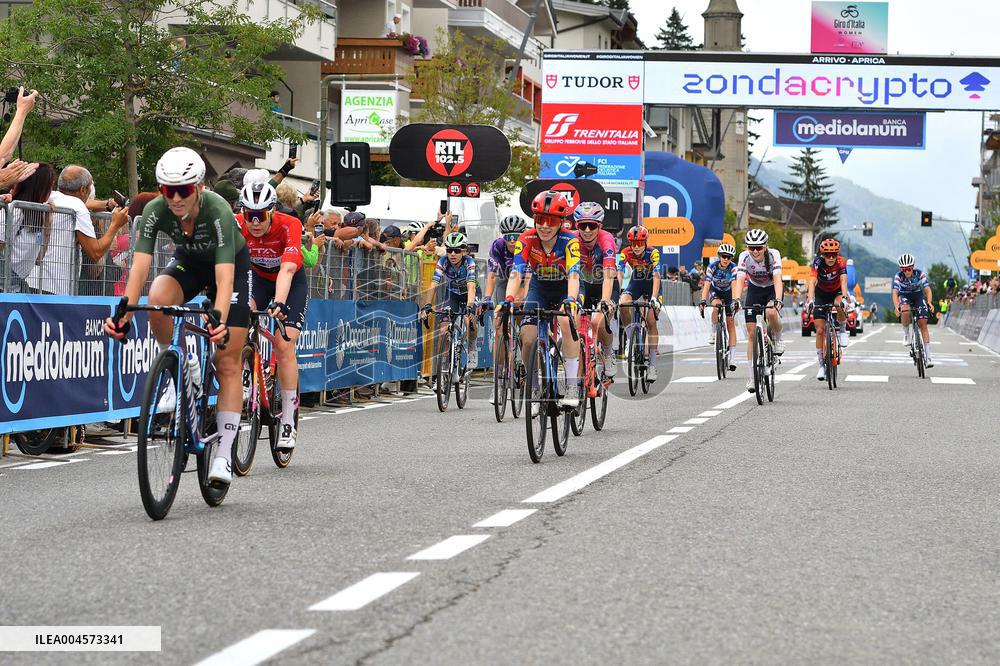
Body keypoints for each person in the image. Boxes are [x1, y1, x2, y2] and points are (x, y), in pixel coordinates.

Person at [104, 147, 251, 487]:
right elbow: (140, 267)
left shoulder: (217, 211)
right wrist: (124, 309)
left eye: (183, 190)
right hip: (190, 261)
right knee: (157, 297)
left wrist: (218, 318)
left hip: (229, 266)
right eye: (168, 190)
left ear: (199, 187)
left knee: (227, 361)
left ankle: (225, 455)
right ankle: (181, 366)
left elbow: (225, 277)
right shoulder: (157, 211)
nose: (175, 198)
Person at [235, 182, 305, 451]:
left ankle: (288, 418)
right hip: (258, 280)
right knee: (239, 317)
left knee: (284, 343)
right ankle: (244, 376)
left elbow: (288, 269)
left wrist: (279, 302)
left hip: (290, 282)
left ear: (272, 211)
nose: (254, 222)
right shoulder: (237, 224)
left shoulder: (289, 225)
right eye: (248, 215)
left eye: (260, 215)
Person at [501, 190, 582, 410]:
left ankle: (572, 385)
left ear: (561, 222)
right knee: (527, 338)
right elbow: (517, 272)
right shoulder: (525, 238)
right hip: (540, 288)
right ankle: (534, 384)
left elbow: (574, 274)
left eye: (552, 221)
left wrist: (571, 299)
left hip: (567, 287)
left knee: (566, 321)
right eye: (540, 220)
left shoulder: (570, 240)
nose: (545, 226)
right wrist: (509, 298)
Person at [732, 228, 784, 392]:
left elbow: (777, 279)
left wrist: (778, 299)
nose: (755, 251)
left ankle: (778, 339)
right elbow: (740, 279)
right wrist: (736, 300)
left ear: (765, 246)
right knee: (751, 333)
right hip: (754, 290)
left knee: (770, 312)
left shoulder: (774, 255)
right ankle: (752, 377)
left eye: (759, 247)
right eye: (751, 247)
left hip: (770, 289)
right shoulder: (744, 257)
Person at [484, 215, 529, 403]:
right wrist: (487, 298)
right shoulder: (497, 246)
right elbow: (492, 276)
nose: (512, 240)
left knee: (521, 316)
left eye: (516, 236)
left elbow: (527, 280)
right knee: (499, 325)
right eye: (508, 236)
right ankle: (500, 378)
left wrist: (520, 298)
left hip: (524, 280)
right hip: (504, 280)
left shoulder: (527, 245)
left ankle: (522, 354)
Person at [573, 202, 618, 377]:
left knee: (597, 321)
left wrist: (605, 301)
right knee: (574, 322)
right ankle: (577, 375)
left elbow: (608, 275)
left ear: (599, 226)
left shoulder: (606, 240)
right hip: (584, 285)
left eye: (592, 225)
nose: (587, 230)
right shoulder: (572, 238)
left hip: (605, 285)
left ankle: (608, 351)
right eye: (582, 225)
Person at [421, 232, 479, 357]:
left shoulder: (469, 262)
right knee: (443, 330)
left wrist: (470, 306)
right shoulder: (443, 261)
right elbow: (434, 284)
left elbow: (471, 286)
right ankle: (446, 365)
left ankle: (472, 346)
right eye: (450, 250)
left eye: (457, 250)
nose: (453, 254)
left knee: (469, 322)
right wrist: (427, 305)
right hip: (452, 294)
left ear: (463, 251)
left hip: (469, 294)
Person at [0, 162, 55, 293]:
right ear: (41, 187)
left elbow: (40, 255)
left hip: (17, 282)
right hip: (5, 281)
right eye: (50, 186)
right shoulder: (15, 211)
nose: (51, 191)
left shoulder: (38, 214)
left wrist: (48, 221)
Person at [617, 226, 661, 382]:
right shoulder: (625, 253)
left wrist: (654, 297)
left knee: (650, 320)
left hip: (651, 285)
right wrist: (618, 291)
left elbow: (656, 275)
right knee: (622, 304)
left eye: (640, 243)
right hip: (636, 283)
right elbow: (620, 271)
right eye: (633, 243)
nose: (636, 246)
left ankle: (653, 365)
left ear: (645, 242)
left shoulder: (653, 253)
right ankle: (630, 339)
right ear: (630, 243)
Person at [806, 238, 850, 381]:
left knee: (839, 305)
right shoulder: (818, 262)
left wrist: (844, 297)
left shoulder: (841, 262)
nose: (831, 258)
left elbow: (843, 280)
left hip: (836, 291)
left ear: (837, 254)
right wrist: (810, 299)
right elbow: (812, 281)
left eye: (834, 254)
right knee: (819, 330)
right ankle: (821, 366)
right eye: (827, 255)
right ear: (822, 254)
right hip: (821, 294)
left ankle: (842, 330)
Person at [698, 243, 738, 372]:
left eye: (729, 257)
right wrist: (703, 300)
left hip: (728, 292)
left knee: (731, 323)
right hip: (716, 290)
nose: (726, 259)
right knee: (716, 306)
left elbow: (735, 284)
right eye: (724, 256)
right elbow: (707, 284)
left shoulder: (733, 268)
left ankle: (732, 358)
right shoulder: (712, 267)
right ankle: (714, 331)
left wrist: (735, 300)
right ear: (719, 256)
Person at [892, 253, 935, 367]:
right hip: (904, 296)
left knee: (923, 324)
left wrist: (929, 302)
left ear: (913, 267)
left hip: (918, 297)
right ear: (901, 269)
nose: (907, 272)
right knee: (905, 309)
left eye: (909, 269)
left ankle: (928, 356)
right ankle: (906, 334)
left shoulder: (920, 274)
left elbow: (928, 290)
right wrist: (897, 306)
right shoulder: (898, 276)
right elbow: (895, 293)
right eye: (904, 269)